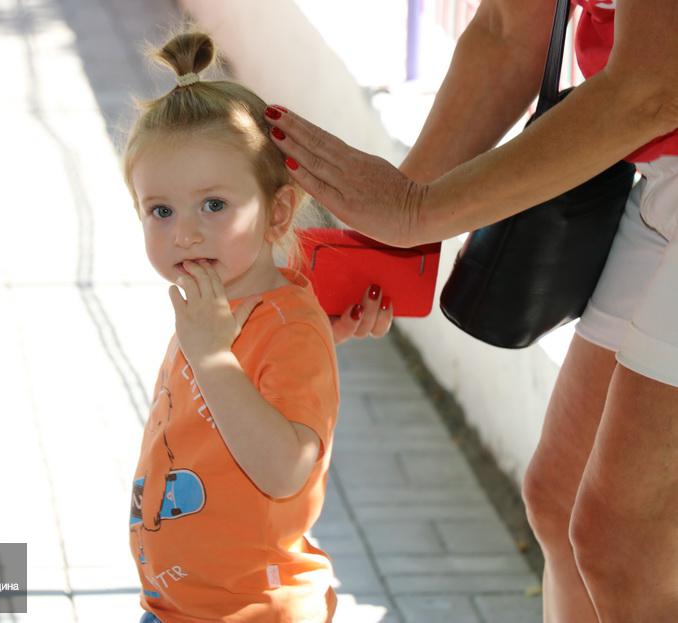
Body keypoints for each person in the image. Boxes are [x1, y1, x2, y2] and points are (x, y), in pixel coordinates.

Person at [261, 0, 678, 620]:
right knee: (560, 500)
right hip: (662, 170)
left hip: (657, 119)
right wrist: (384, 235)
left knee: (623, 546)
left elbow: (651, 87)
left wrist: (416, 211)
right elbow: (508, 28)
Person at [121, 31, 380, 622]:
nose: (185, 233)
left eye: (214, 205)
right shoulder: (216, 307)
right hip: (174, 606)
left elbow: (286, 471)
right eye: (161, 210)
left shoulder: (284, 329)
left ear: (278, 212)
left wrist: (213, 357)